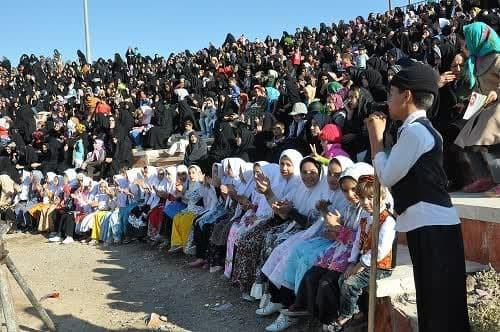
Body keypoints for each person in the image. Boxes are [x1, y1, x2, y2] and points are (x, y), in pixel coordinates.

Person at [366, 62, 470, 332]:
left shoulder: (416, 132)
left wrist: (376, 139)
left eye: (391, 93)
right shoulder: (416, 130)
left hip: (433, 228)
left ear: (407, 95)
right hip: (429, 227)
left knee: (439, 308)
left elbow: (387, 176)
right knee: (436, 305)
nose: (388, 100)